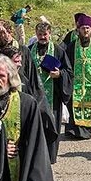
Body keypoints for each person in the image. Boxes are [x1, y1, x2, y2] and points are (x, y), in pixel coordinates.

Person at [29, 21, 71, 163]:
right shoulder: (29, 50)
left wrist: (60, 75)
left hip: (53, 96)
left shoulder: (59, 51)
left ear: (50, 34)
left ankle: (50, 156)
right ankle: (36, 156)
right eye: (39, 34)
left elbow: (69, 71)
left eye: (45, 34)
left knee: (51, 125)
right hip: (34, 97)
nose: (42, 37)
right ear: (36, 34)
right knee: (35, 126)